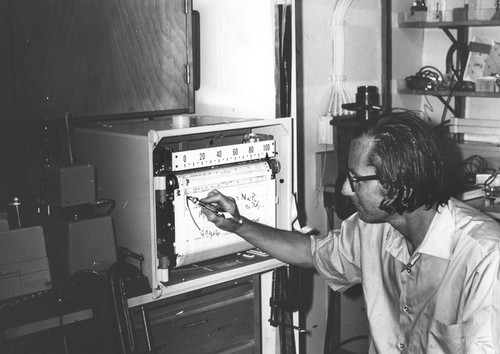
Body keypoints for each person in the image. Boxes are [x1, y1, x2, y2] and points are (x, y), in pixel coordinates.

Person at [200, 111, 500, 353]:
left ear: (400, 186)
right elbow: (311, 252)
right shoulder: (374, 228)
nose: (345, 189)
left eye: (356, 180)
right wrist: (238, 224)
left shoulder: (485, 258)